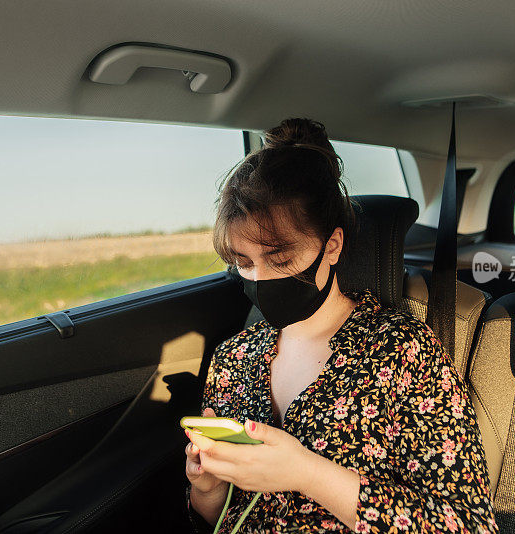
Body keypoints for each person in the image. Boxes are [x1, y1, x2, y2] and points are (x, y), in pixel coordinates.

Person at [183, 117, 498, 533]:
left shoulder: (403, 351)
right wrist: (207, 490)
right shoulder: (233, 358)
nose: (259, 280)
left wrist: (307, 473)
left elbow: (468, 525)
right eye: (243, 264)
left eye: (279, 260)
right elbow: (215, 518)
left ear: (332, 246)